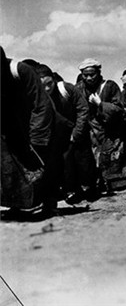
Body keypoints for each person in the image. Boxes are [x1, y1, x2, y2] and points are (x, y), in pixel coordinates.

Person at [1, 47, 57, 215]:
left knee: (43, 163)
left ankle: (49, 204)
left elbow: (41, 105)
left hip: (38, 122)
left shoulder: (20, 70)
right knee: (10, 167)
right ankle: (17, 204)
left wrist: (37, 137)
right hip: (11, 126)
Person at [36, 64, 96, 204]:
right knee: (64, 164)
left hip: (78, 131)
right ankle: (69, 191)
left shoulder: (66, 89)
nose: (47, 88)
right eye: (43, 85)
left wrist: (77, 132)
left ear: (53, 80)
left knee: (84, 162)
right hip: (57, 135)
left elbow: (83, 109)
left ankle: (89, 188)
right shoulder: (37, 95)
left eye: (49, 84)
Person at [75, 58, 126, 191]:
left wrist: (100, 104)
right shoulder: (78, 88)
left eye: (92, 74)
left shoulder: (110, 86)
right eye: (85, 75)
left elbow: (120, 109)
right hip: (88, 131)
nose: (89, 78)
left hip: (109, 132)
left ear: (98, 73)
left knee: (110, 162)